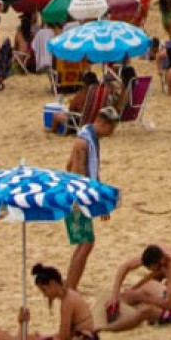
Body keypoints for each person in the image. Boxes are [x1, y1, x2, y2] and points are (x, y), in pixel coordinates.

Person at [0, 262, 95, 340]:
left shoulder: (67, 302)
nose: (45, 296)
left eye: (44, 291)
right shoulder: (69, 296)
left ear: (52, 284)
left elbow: (64, 337)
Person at [64, 107, 118, 291]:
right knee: (86, 243)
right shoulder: (83, 143)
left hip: (77, 194)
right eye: (111, 128)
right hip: (76, 197)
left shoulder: (89, 137)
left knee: (84, 243)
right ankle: (71, 287)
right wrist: (88, 203)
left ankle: (70, 285)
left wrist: (101, 202)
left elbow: (70, 166)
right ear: (103, 123)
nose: (112, 133)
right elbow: (78, 174)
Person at [101, 244, 171, 331]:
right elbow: (125, 267)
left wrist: (142, 298)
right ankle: (114, 305)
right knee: (144, 287)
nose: (153, 271)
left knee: (145, 310)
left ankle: (108, 328)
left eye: (153, 269)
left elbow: (168, 304)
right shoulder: (158, 253)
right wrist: (115, 294)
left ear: (160, 263)